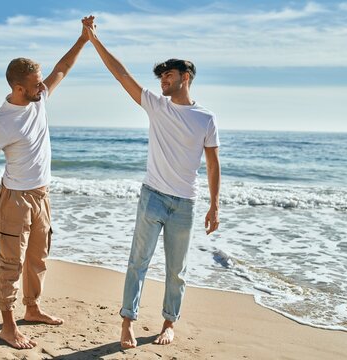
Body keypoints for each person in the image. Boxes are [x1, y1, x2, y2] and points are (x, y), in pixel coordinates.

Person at [82, 17, 221, 348]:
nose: (162, 81)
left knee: (177, 271)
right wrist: (94, 40)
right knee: (138, 263)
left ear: (185, 79)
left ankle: (168, 323)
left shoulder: (206, 119)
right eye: (161, 77)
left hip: (185, 203)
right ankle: (127, 322)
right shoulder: (157, 106)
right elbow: (121, 74)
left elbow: (213, 165)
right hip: (152, 197)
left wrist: (215, 205)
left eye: (168, 76)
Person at [0, 17, 92, 350]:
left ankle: (32, 308)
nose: (42, 87)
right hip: (14, 199)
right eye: (35, 83)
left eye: (41, 82)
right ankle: (8, 325)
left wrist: (83, 39)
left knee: (38, 259)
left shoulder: (39, 99)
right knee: (10, 264)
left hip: (42, 196)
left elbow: (63, 68)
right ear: (17, 87)